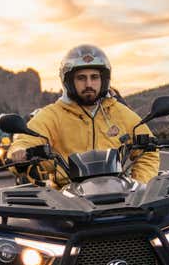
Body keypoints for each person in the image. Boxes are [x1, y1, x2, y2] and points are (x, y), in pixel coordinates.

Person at [8, 44, 159, 185]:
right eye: (81, 78)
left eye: (94, 77)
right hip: (67, 199)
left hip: (118, 193)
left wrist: (139, 185)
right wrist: (19, 152)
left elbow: (149, 152)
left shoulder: (121, 113)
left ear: (104, 80)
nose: (88, 84)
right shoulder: (51, 115)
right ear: (68, 81)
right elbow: (27, 140)